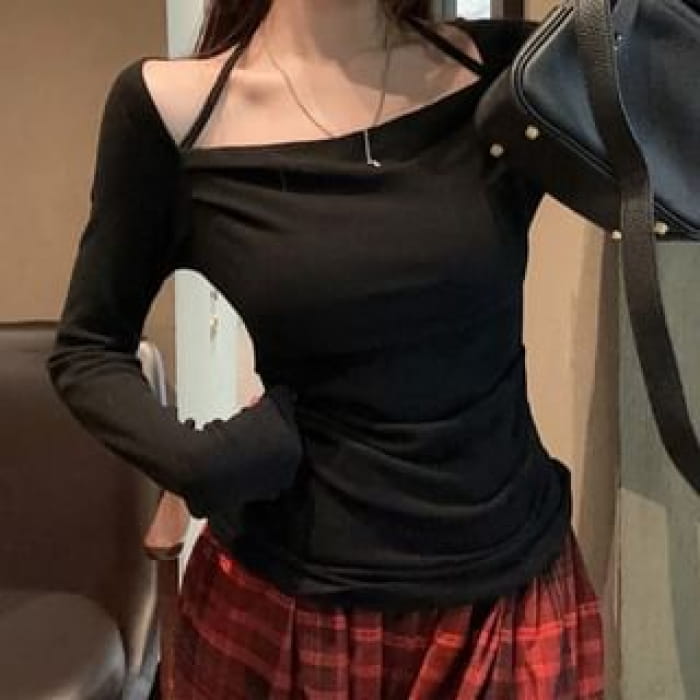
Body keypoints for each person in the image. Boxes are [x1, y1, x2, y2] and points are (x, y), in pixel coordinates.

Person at [46, 0, 605, 697]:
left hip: (508, 605)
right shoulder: (170, 115)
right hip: (288, 613)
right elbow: (87, 348)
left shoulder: (509, 72)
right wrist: (192, 460)